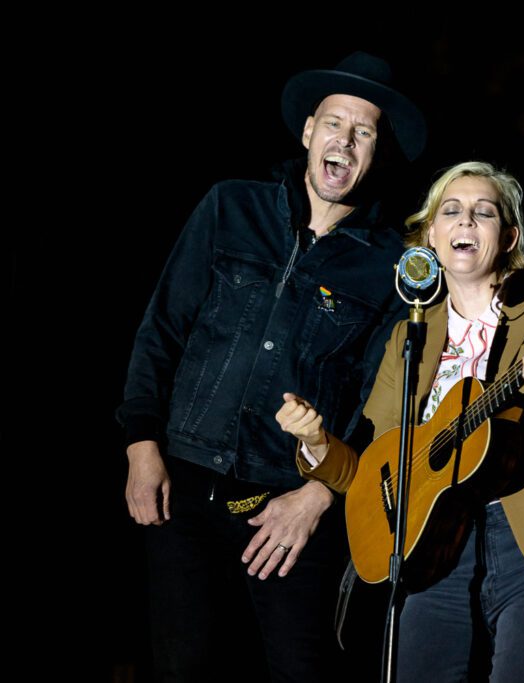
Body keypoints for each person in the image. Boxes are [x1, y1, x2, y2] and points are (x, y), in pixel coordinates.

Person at [116, 52, 425, 681]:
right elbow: (163, 327)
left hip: (290, 510)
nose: (345, 140)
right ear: (309, 132)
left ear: (378, 152)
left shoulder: (392, 264)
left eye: (364, 132)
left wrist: (317, 498)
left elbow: (381, 403)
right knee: (184, 667)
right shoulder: (231, 206)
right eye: (335, 123)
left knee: (301, 669)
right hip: (186, 494)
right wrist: (140, 446)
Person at [277, 161, 524, 682]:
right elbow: (375, 467)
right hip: (434, 544)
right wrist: (316, 442)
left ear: (508, 236)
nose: (466, 221)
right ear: (432, 234)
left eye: (483, 213)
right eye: (451, 211)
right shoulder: (411, 336)